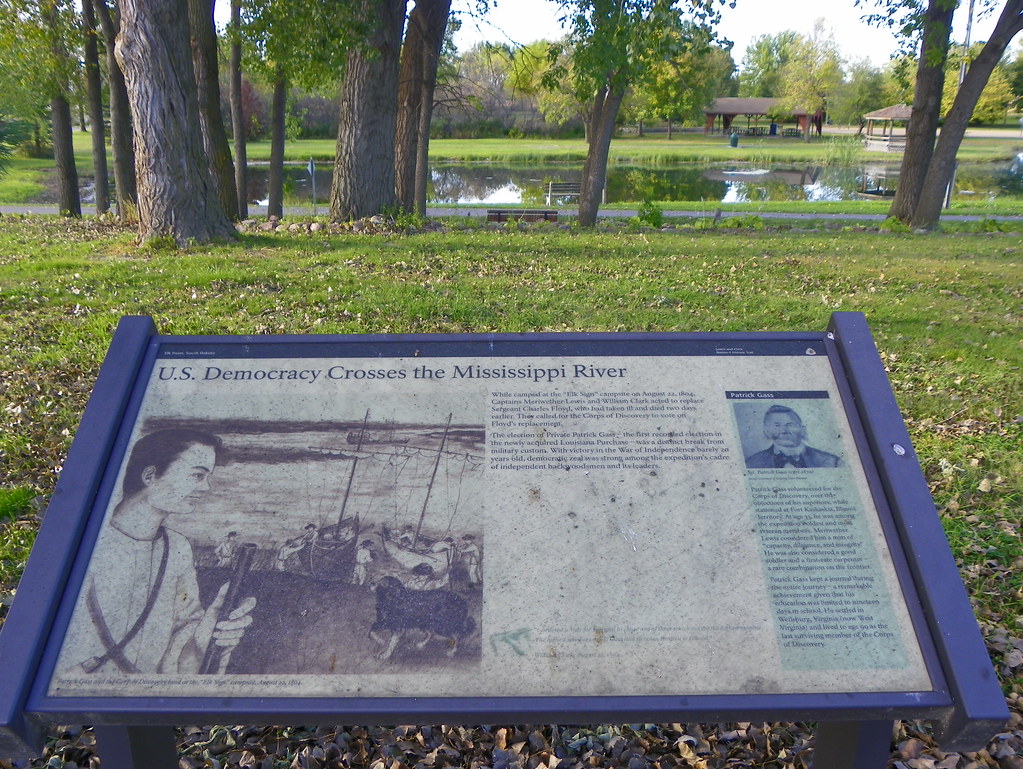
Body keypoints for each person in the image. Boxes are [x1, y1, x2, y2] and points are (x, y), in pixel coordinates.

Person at [70, 428, 255, 675]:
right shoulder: (86, 541)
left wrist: (205, 633)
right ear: (150, 475)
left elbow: (181, 637)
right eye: (197, 476)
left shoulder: (177, 547)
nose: (206, 488)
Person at [745, 405, 842, 469]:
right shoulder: (751, 463)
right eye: (777, 426)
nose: (784, 431)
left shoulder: (831, 462)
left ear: (802, 429)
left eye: (790, 425)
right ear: (766, 430)